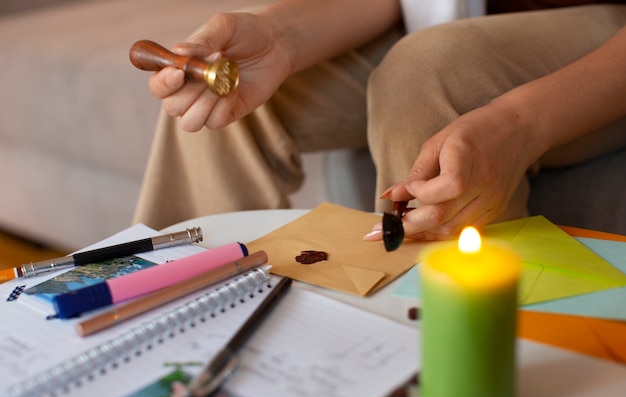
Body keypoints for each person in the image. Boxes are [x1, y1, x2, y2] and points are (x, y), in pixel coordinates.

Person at [133, 0, 626, 242]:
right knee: (231, 82)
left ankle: (421, 355)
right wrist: (278, 36)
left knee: (425, 72)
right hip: (453, 15)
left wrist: (521, 123)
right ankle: (174, 307)